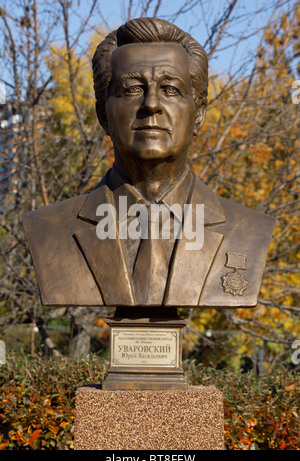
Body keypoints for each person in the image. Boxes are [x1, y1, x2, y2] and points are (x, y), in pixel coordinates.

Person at [23, 17, 275, 308]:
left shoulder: (249, 229)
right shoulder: (49, 229)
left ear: (198, 114)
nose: (151, 105)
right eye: (131, 89)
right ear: (103, 115)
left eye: (170, 89)